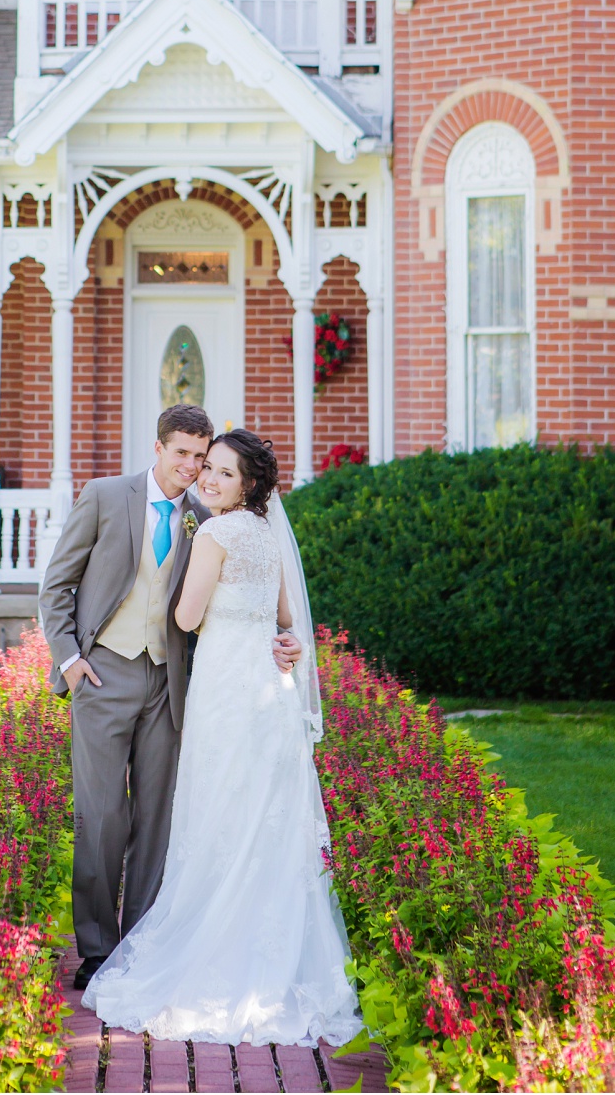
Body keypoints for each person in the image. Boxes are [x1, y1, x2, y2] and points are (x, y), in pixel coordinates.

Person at [82, 429, 362, 1049]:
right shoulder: (266, 535)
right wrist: (281, 637)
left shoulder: (211, 533)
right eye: (207, 468)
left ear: (250, 485)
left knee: (217, 812)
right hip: (269, 693)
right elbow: (290, 618)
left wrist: (194, 575)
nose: (207, 479)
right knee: (265, 814)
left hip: (227, 692)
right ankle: (276, 957)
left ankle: (212, 947)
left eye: (224, 474)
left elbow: (185, 617)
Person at [39, 405, 303, 991]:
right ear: (157, 448)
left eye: (202, 457)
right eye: (182, 454)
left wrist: (272, 642)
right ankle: (96, 946)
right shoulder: (107, 496)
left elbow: (238, 596)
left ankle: (140, 942)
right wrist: (71, 660)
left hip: (173, 682)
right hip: (104, 671)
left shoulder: (209, 516)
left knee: (159, 818)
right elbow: (57, 585)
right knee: (102, 815)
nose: (192, 467)